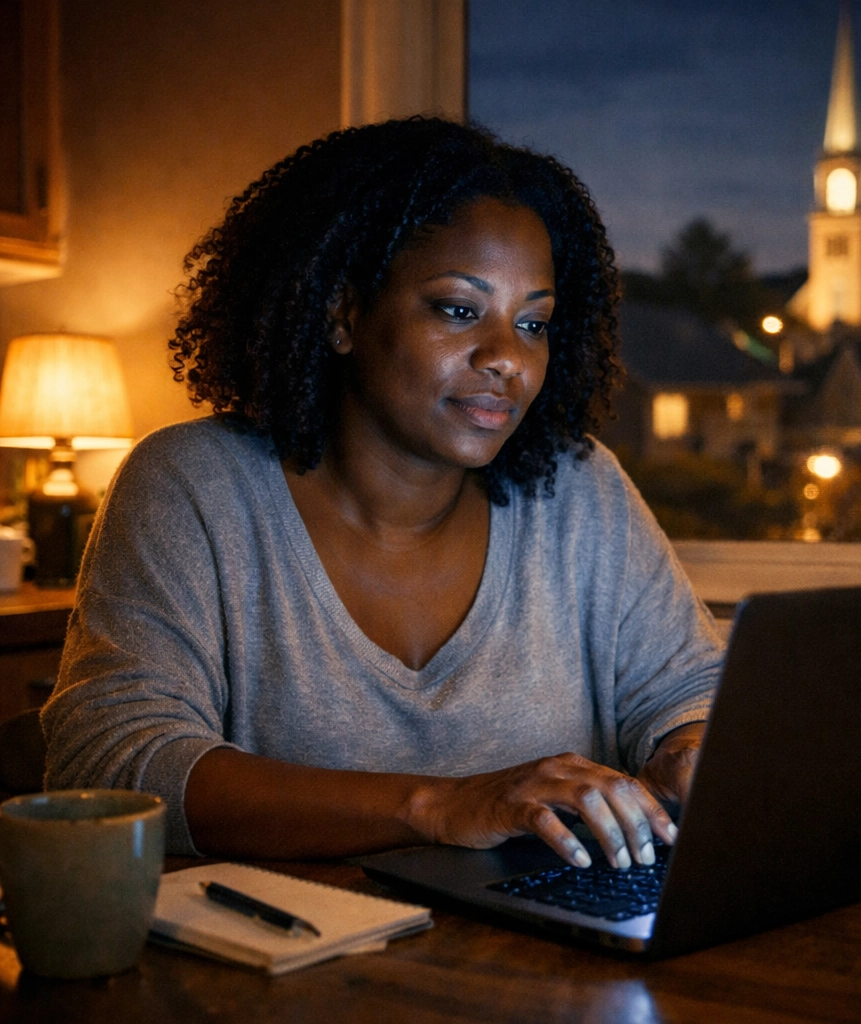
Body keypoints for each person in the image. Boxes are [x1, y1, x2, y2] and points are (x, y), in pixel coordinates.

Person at [42, 118, 724, 869]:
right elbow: (110, 765)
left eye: (533, 322)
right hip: (292, 968)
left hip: (552, 959)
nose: (506, 358)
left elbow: (690, 691)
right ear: (342, 313)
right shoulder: (194, 488)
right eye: (459, 310)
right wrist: (440, 804)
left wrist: (689, 749)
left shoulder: (577, 489)